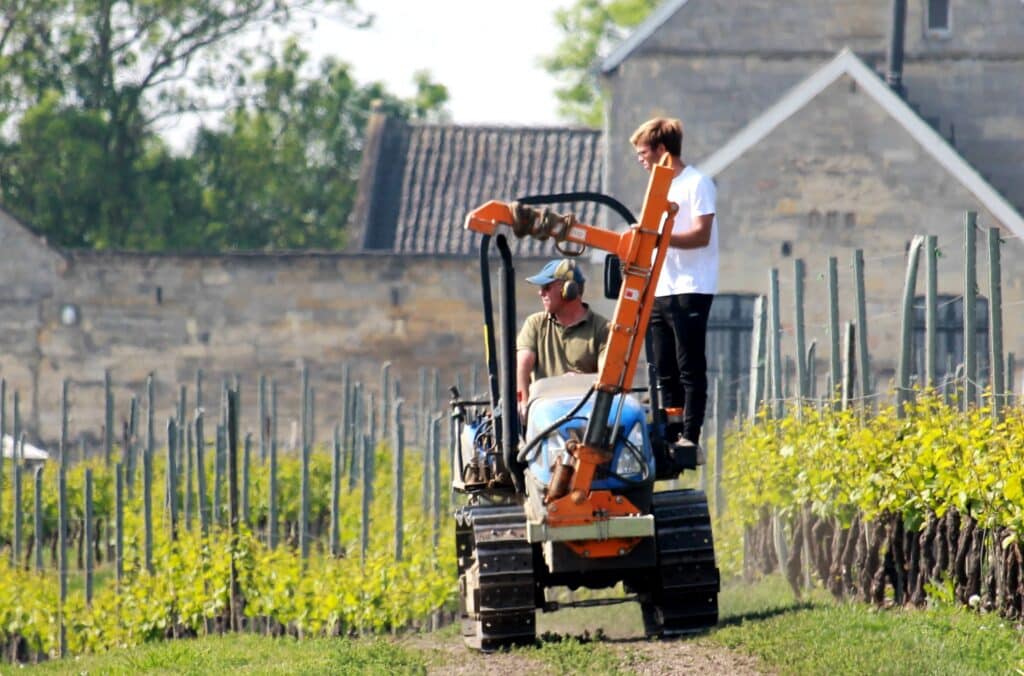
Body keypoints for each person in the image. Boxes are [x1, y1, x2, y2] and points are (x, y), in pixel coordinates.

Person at [630, 117, 718, 467]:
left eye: (643, 152)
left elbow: (701, 235)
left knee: (688, 366)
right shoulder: (656, 189)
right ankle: (670, 431)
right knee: (662, 365)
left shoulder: (697, 184)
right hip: (661, 286)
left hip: (691, 287)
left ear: (662, 151)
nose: (640, 160)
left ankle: (690, 436)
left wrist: (658, 240)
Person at [515, 258, 610, 411]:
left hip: (587, 416)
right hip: (543, 417)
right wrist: (524, 404)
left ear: (569, 289)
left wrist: (578, 382)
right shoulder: (535, 324)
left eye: (546, 287)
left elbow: (607, 378)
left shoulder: (603, 328)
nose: (541, 293)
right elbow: (522, 365)